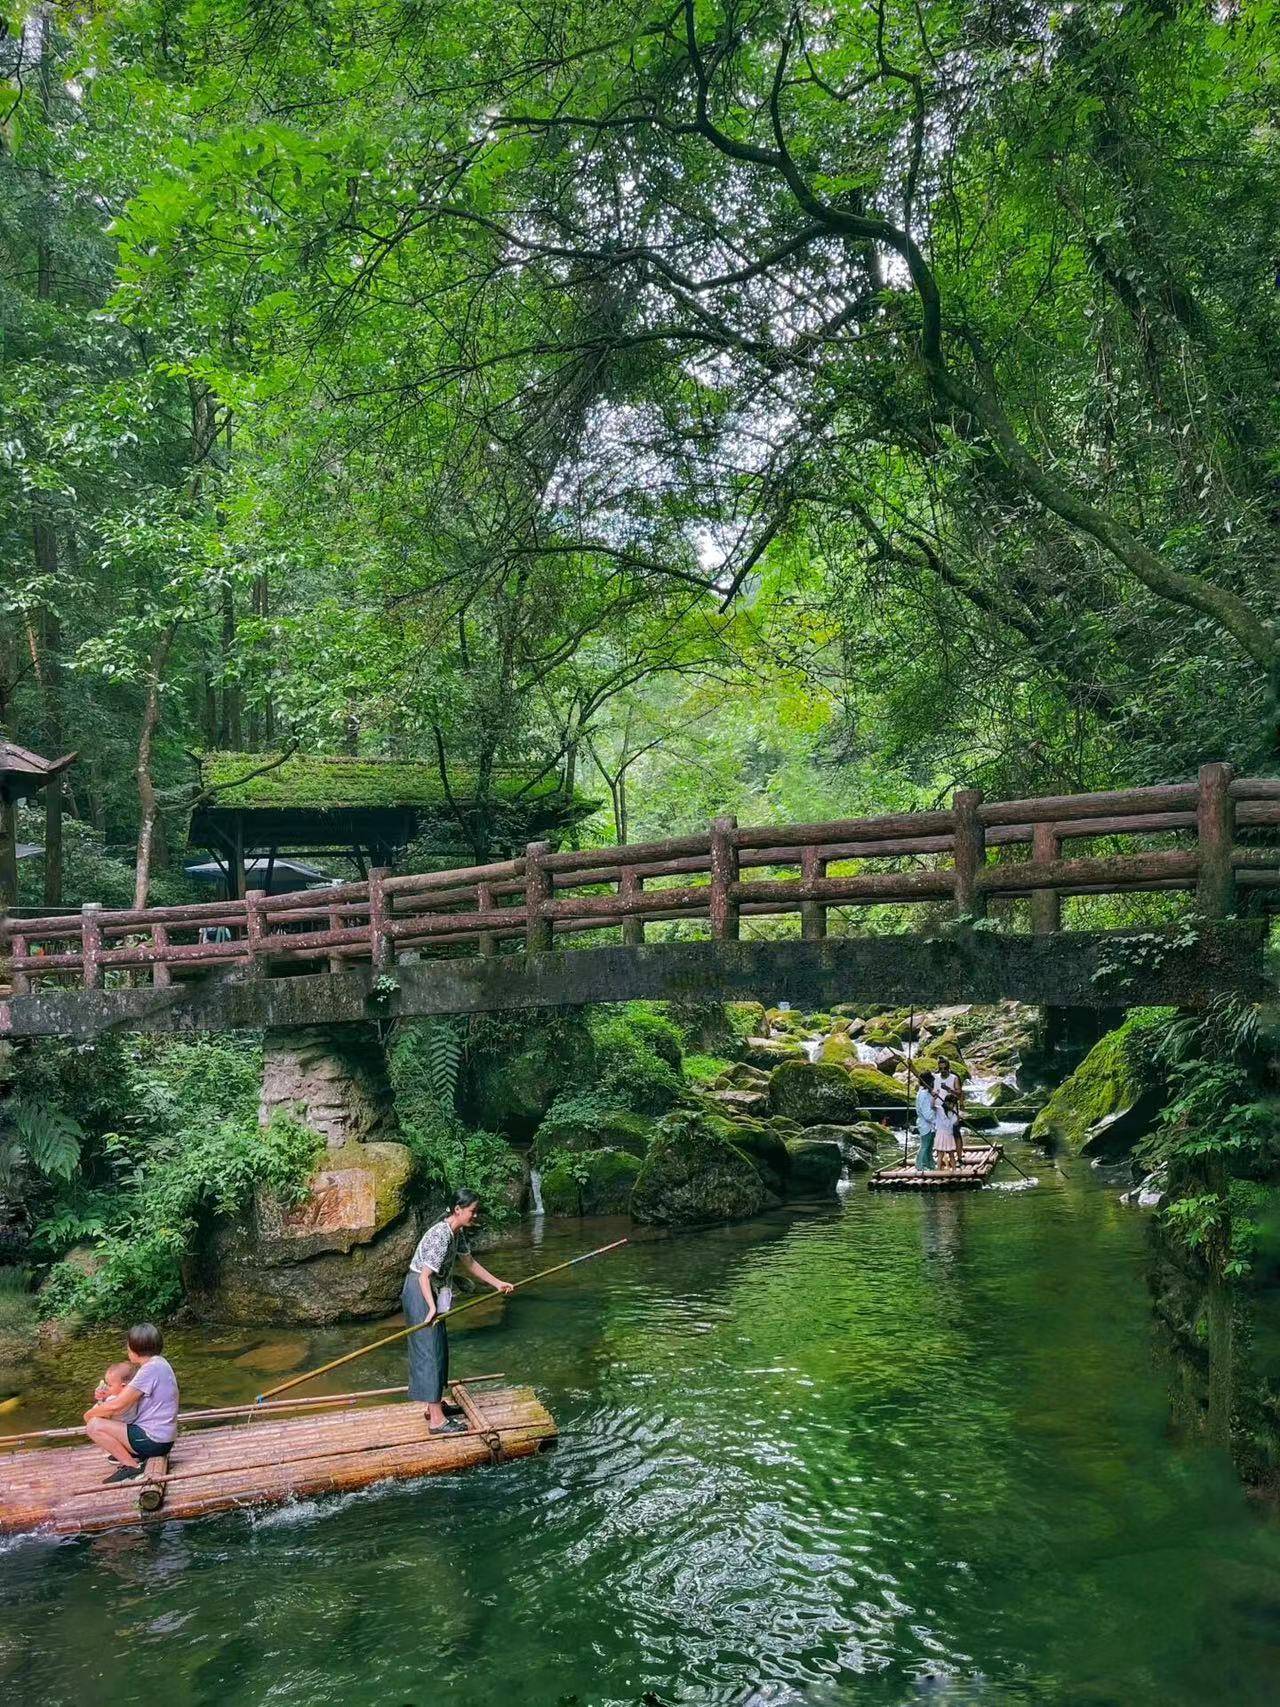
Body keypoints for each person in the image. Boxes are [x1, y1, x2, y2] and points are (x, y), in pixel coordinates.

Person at [402, 1188, 514, 1435]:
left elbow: (470, 1263)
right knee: (428, 1350)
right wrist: (431, 1307)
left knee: (438, 1347)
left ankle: (433, 1407)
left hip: (432, 1291)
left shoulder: (457, 1233)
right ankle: (436, 1422)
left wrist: (497, 1283)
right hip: (420, 1291)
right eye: (473, 1211)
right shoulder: (441, 1235)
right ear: (458, 1210)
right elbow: (423, 1276)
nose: (475, 1215)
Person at [83, 1323, 179, 1484]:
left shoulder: (149, 1370)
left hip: (153, 1440)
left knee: (94, 1425)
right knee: (104, 1415)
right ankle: (133, 1452)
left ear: (134, 1347)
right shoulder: (159, 1364)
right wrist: (108, 1393)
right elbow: (127, 1394)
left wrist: (88, 1415)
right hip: (162, 1437)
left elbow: (117, 1405)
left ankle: (132, 1467)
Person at [914, 1070, 938, 1172]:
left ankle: (930, 1163)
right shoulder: (923, 1094)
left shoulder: (927, 1093)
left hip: (930, 1124)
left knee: (930, 1145)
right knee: (925, 1145)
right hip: (926, 1123)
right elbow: (927, 1113)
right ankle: (919, 1165)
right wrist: (935, 1119)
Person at [935, 1094, 961, 1173]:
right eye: (950, 1103)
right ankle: (938, 1171)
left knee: (951, 1153)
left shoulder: (954, 1112)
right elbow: (932, 1106)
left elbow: (955, 1124)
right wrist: (934, 1098)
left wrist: (958, 1117)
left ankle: (954, 1170)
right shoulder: (940, 1109)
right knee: (940, 1154)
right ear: (946, 1102)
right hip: (941, 1134)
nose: (951, 1105)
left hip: (949, 1135)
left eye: (953, 1104)